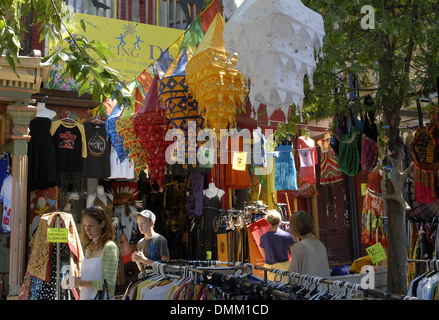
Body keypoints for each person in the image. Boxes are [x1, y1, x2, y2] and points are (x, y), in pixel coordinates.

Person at [74, 206, 119, 300]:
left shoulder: (109, 247)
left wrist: (81, 282)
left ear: (102, 224)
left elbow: (109, 285)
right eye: (85, 226)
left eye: (91, 225)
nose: (87, 230)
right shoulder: (89, 247)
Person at [289, 210, 331, 278]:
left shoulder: (300, 246)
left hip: (307, 286)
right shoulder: (320, 244)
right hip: (322, 287)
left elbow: (294, 273)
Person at [259, 210, 296, 280]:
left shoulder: (263, 237)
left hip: (269, 269)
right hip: (284, 268)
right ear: (280, 221)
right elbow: (294, 254)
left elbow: (265, 256)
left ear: (268, 222)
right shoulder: (287, 236)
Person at [132, 209, 170, 275]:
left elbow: (165, 266)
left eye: (143, 223)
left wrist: (143, 260)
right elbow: (142, 269)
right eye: (138, 224)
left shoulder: (160, 240)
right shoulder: (140, 243)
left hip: (159, 279)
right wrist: (137, 260)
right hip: (146, 278)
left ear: (151, 223)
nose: (140, 227)